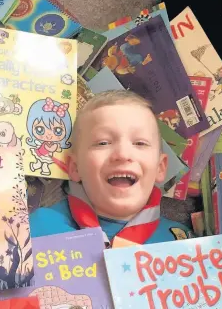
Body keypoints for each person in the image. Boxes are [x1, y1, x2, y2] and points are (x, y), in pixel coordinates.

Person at [29, 90, 194, 245]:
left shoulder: (184, 243)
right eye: (103, 143)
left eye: (140, 143)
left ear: (160, 168)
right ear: (75, 168)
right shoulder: (32, 230)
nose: (122, 154)